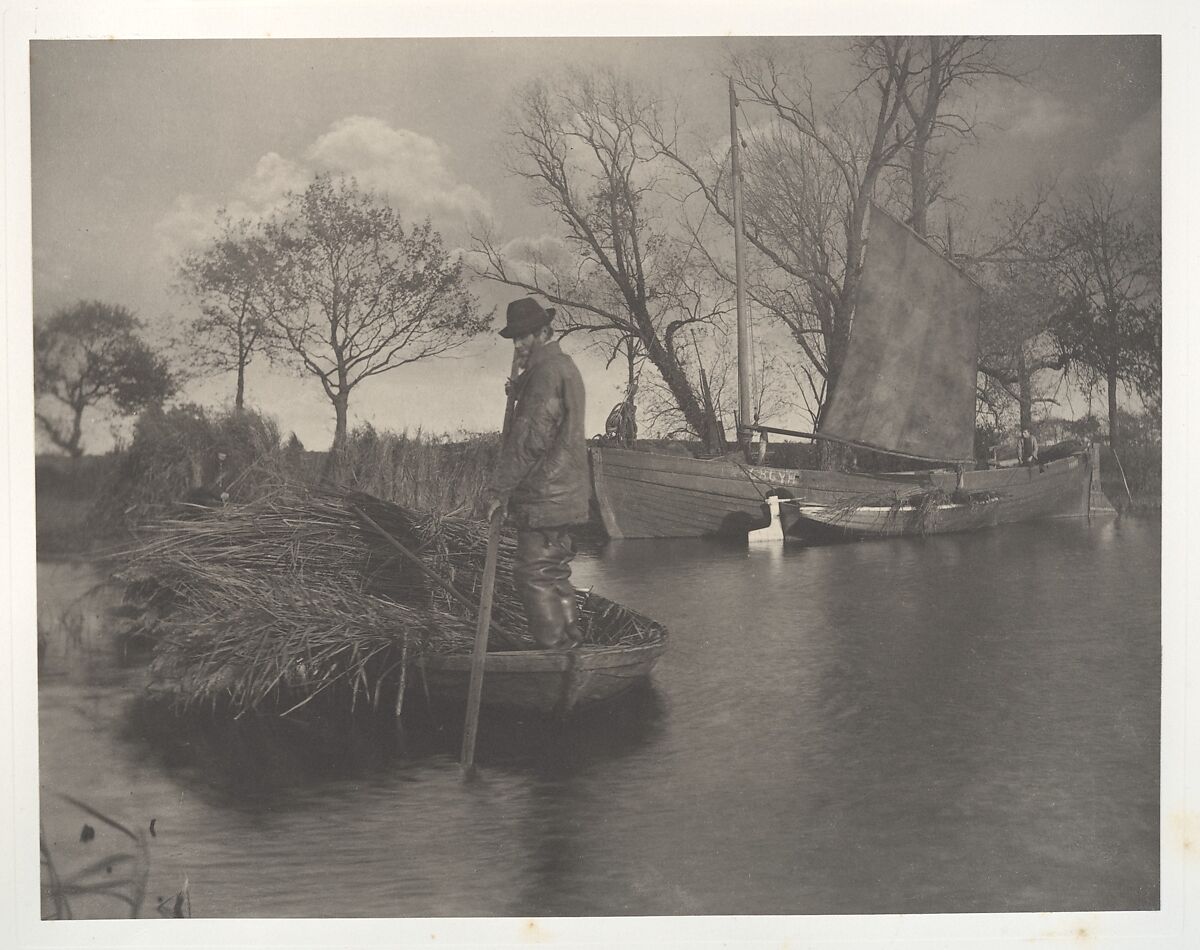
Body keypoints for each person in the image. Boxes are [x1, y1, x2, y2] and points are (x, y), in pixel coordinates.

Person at [482, 298, 589, 651]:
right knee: (554, 570)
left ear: (544, 332)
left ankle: (554, 651)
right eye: (514, 339)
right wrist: (520, 391)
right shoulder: (564, 367)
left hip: (545, 495)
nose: (518, 345)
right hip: (568, 493)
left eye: (525, 336)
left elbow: (530, 439)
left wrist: (498, 490)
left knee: (532, 573)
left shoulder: (543, 374)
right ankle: (571, 643)